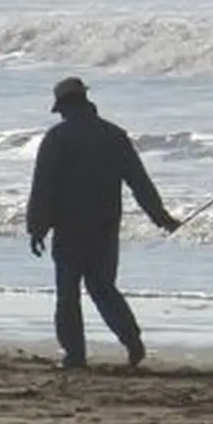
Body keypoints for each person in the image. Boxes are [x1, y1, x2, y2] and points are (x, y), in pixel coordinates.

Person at [26, 76, 182, 369]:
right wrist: (161, 218)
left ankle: (75, 355)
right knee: (103, 288)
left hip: (69, 228)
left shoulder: (57, 138)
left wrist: (37, 228)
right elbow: (139, 182)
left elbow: (43, 187)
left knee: (68, 294)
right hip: (105, 226)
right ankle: (132, 341)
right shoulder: (114, 135)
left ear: (63, 107)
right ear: (86, 101)